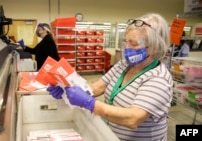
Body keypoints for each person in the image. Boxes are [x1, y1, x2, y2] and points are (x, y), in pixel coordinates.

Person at [47, 13, 173, 141]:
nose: (126, 48)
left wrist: (90, 104)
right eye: (126, 41)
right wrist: (67, 88)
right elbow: (97, 87)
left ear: (156, 47)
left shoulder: (158, 79)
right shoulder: (125, 65)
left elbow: (133, 119)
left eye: (134, 44)